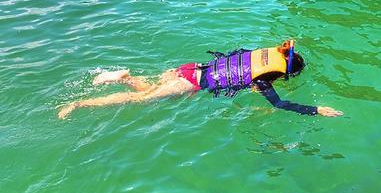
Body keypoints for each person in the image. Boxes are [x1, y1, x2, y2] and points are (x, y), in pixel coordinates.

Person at [57, 40, 342, 119]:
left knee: (151, 90)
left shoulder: (256, 57)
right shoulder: (265, 81)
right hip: (190, 84)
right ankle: (82, 104)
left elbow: (234, 68)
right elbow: (280, 105)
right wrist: (316, 110)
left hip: (189, 70)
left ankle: (125, 76)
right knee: (139, 101)